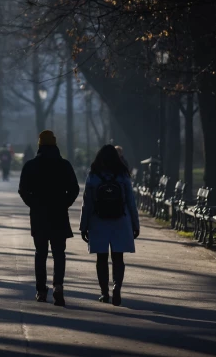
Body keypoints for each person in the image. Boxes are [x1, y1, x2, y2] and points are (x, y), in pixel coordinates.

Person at [18, 130, 80, 306]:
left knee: (40, 253)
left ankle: (41, 290)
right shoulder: (64, 165)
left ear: (39, 144)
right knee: (59, 253)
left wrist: (33, 204)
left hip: (39, 215)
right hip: (59, 213)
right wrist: (64, 203)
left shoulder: (30, 165)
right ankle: (58, 286)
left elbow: (22, 190)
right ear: (55, 144)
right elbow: (74, 189)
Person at [79, 144, 140, 307]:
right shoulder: (123, 175)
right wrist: (135, 224)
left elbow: (87, 202)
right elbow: (131, 202)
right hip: (121, 219)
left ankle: (104, 292)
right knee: (118, 257)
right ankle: (117, 286)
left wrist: (83, 225)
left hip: (98, 220)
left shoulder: (93, 175)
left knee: (101, 258)